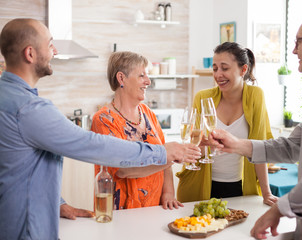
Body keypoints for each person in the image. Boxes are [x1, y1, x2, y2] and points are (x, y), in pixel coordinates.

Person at [0, 18, 200, 240]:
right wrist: (164, 152)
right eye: (49, 45)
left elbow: (23, 165)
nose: (55, 51)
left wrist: (58, 203)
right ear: (30, 54)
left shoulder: (8, 97)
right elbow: (93, 145)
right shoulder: (29, 109)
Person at [212, 14, 302, 240]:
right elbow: (293, 146)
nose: (293, 51)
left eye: (298, 42)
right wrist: (239, 145)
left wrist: (279, 208)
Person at [176, 42, 277, 206]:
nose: (218, 75)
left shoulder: (255, 96)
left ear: (243, 70)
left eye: (225, 68)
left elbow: (260, 147)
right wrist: (202, 145)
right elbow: (194, 148)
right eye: (215, 69)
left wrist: (266, 192)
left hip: (240, 187)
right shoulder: (202, 98)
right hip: (201, 185)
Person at [92, 51, 185, 210]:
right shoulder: (104, 120)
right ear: (121, 78)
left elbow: (164, 152)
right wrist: (169, 158)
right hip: (122, 213)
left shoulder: (148, 113)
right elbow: (123, 170)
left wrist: (168, 193)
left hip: (155, 209)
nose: (148, 81)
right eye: (142, 75)